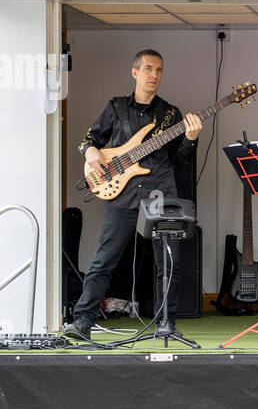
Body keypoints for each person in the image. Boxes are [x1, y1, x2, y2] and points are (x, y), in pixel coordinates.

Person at [63, 49, 202, 340]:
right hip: (122, 193)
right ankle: (83, 321)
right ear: (135, 72)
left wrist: (190, 140)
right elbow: (89, 140)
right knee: (104, 260)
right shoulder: (115, 107)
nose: (155, 75)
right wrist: (90, 152)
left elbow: (181, 160)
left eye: (159, 69)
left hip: (160, 194)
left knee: (169, 263)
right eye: (148, 68)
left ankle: (166, 323)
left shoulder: (170, 114)